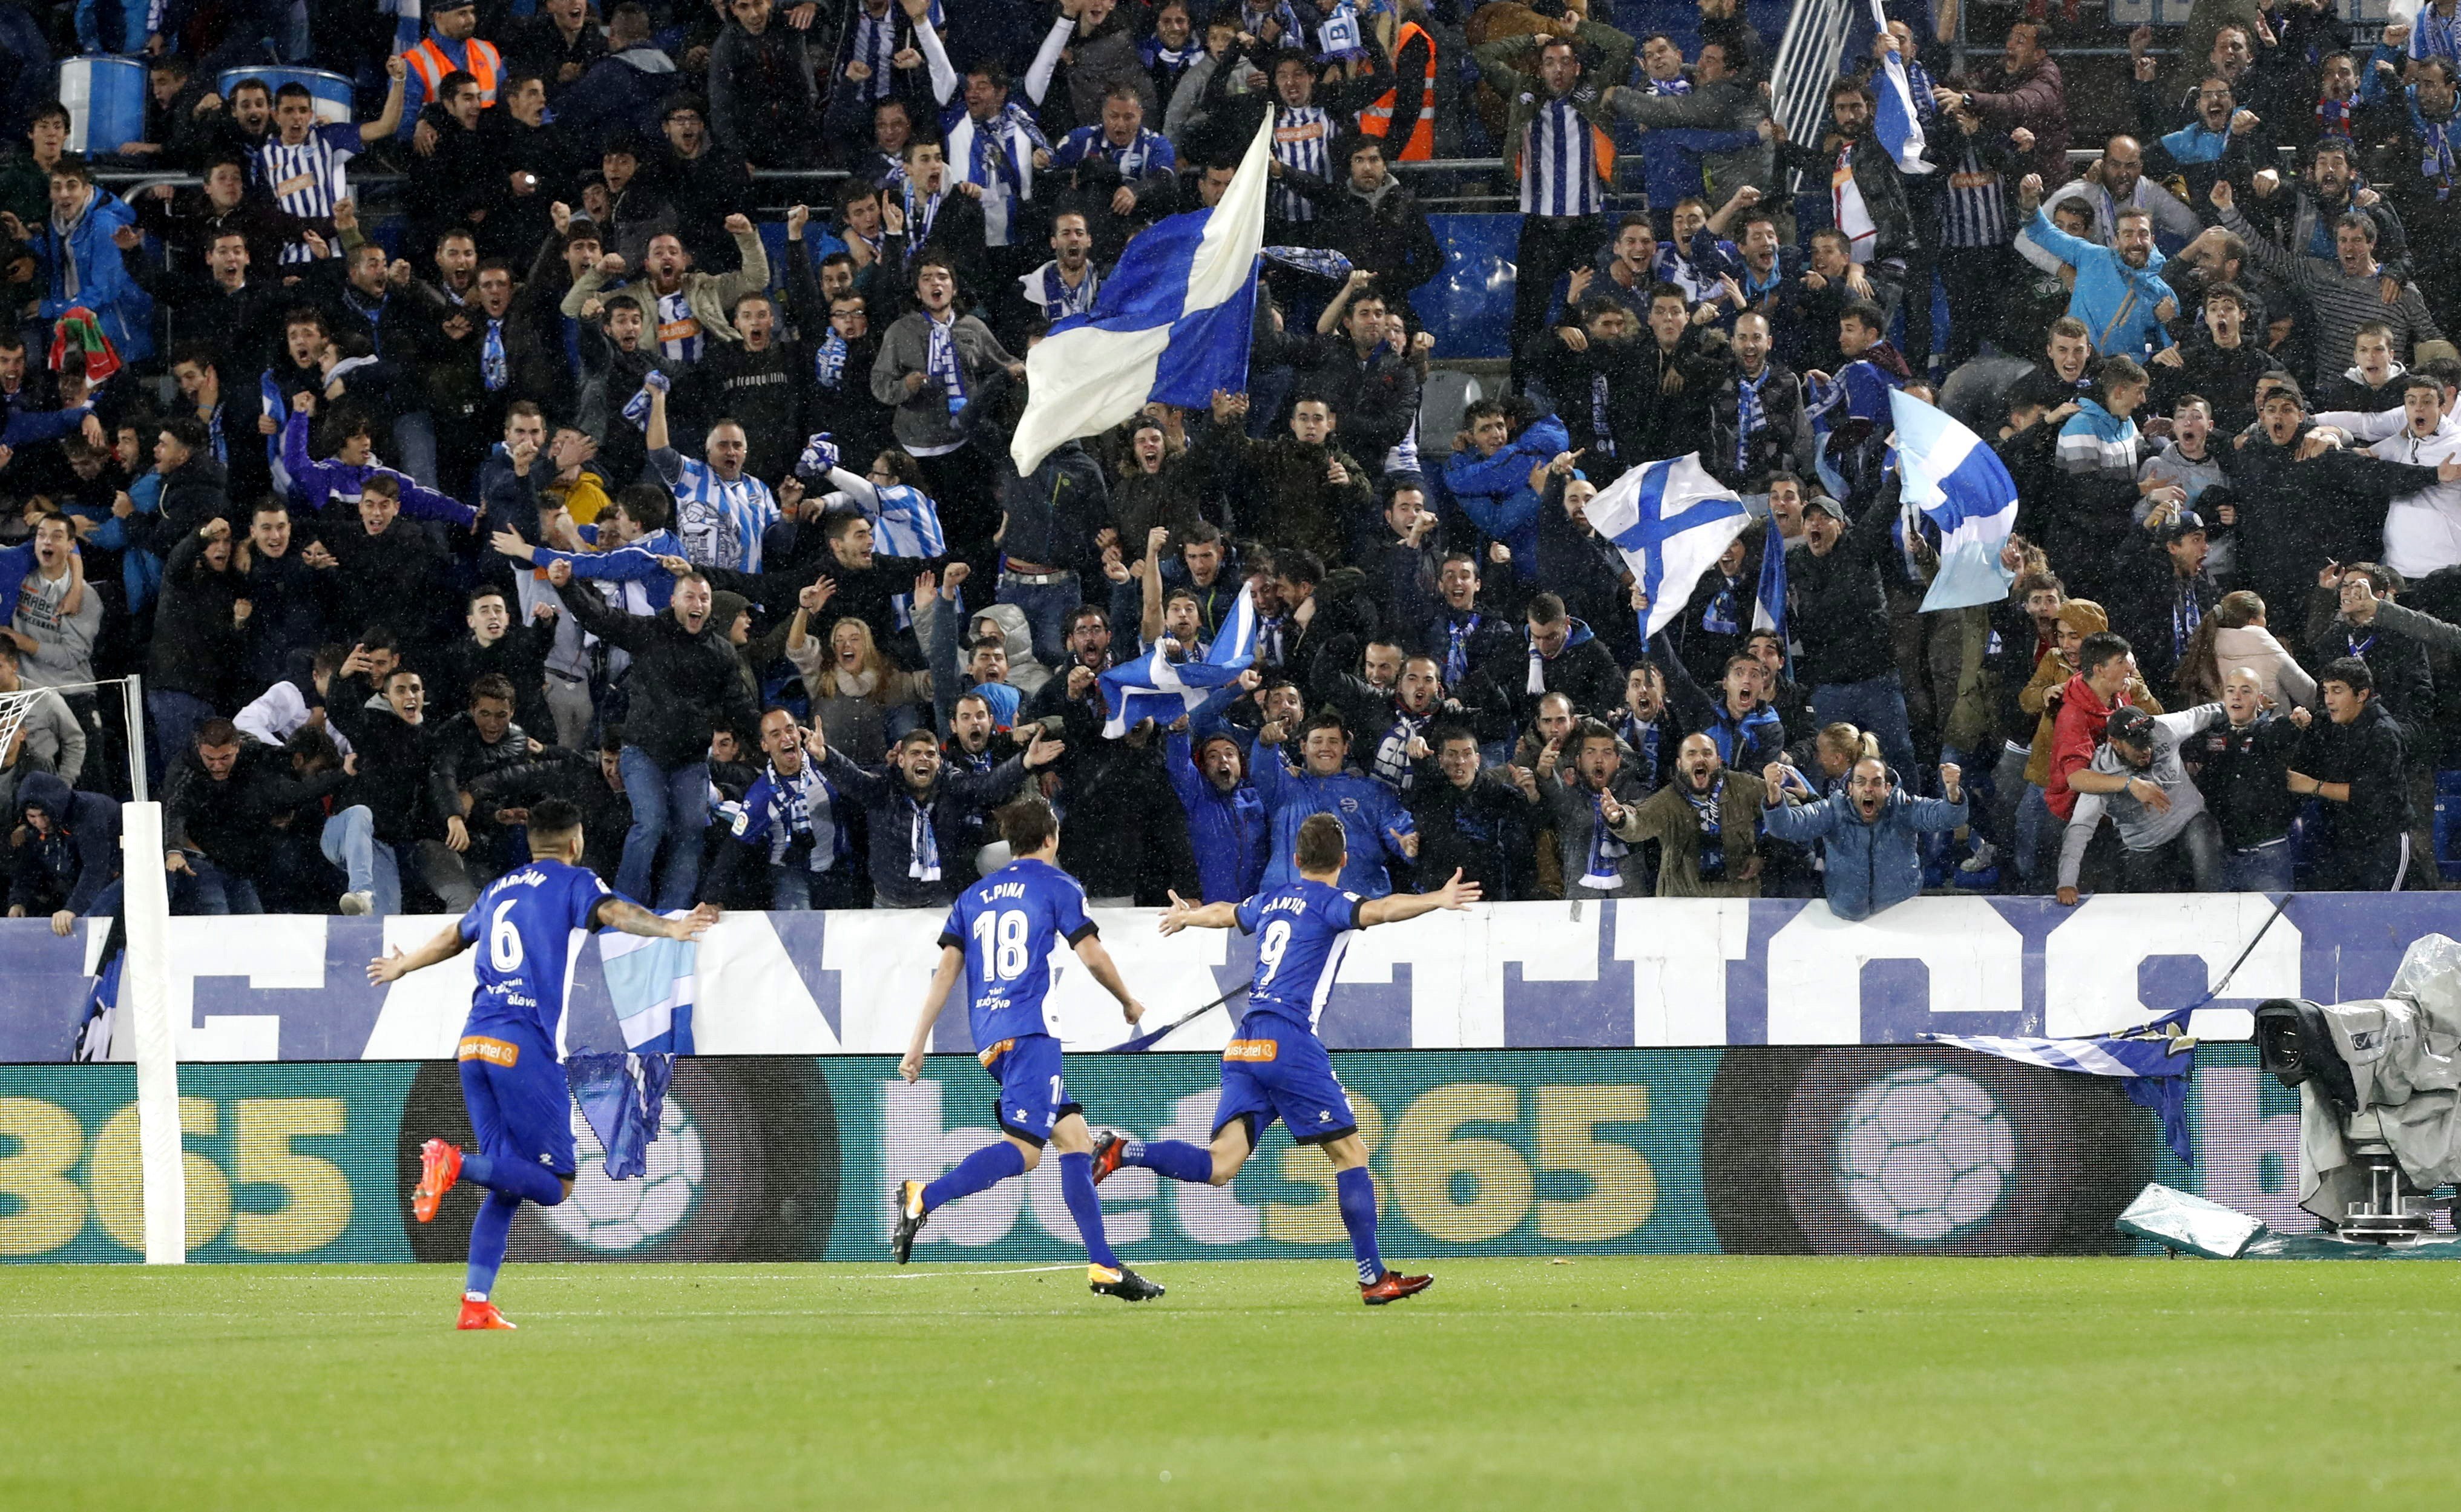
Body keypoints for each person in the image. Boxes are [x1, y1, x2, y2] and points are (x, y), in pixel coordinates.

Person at [1092, 812, 1473, 1303]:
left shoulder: (1273, 899)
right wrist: (1437, 900)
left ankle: (1124, 1151)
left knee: (1220, 1165)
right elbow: (1381, 910)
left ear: (1295, 860)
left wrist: (1187, 916)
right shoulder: (1334, 903)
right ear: (1344, 860)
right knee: (1350, 1155)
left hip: (1245, 1041)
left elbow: (1227, 912)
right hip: (1289, 1040)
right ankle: (1373, 1277)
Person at [375, 798, 717, 1330]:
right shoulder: (574, 882)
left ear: (530, 840)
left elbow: (453, 936)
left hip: (473, 1045)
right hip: (523, 1046)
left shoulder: (498, 888)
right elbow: (616, 912)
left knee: (509, 1183)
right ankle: (453, 1164)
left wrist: (403, 965)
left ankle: (475, 1303)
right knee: (556, 1183)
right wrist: (670, 930)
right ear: (575, 841)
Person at [891, 797, 1160, 1303]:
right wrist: (1128, 1001)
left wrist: (916, 1044)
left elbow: (945, 973)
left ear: (1011, 843)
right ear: (1052, 838)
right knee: (1026, 1153)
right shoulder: (1058, 885)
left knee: (1075, 1140)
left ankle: (1104, 1266)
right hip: (1031, 1034)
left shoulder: (973, 896)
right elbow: (1092, 954)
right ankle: (923, 1197)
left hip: (991, 1037)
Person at [2054, 702, 2228, 902]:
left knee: (2204, 835)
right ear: (2115, 742)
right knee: (2147, 905)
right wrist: (2067, 882)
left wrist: (2249, 705)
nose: (2146, 750)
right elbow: (2079, 828)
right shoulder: (2101, 774)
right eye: (2138, 745)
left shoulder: (2165, 728)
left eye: (2148, 741)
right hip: (2146, 847)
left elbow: (2201, 713)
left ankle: (2214, 906)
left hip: (2190, 822)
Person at [1761, 757, 1966, 920]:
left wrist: (1953, 792)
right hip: (1844, 917)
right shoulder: (1833, 810)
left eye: (1876, 783)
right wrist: (1774, 795)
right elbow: (1786, 827)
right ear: (1850, 789)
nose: (1868, 788)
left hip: (1902, 914)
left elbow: (1948, 817)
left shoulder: (1904, 807)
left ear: (1888, 789)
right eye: (1861, 782)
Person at [2288, 655, 2415, 889]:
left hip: (2384, 842)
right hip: (2343, 840)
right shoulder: (2335, 723)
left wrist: (2311, 786)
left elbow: (2366, 794)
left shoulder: (2383, 733)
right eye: (2326, 691)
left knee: (2382, 915)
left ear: (2362, 695)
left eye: (2337, 691)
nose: (2329, 700)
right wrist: (2302, 725)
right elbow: (2312, 742)